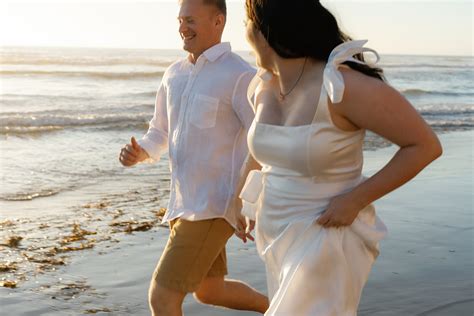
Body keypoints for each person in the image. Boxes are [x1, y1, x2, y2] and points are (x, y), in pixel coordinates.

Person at [234, 0, 443, 314]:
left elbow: (424, 145)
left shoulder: (341, 86)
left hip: (327, 231)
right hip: (275, 231)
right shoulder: (262, 87)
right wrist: (243, 199)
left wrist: (355, 200)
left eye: (247, 21)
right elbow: (264, 153)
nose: (244, 31)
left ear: (267, 29)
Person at [119, 0, 269, 315]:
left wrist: (249, 200)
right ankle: (282, 309)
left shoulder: (240, 75)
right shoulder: (173, 73)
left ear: (218, 21)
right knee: (210, 290)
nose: (182, 28)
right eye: (180, 20)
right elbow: (159, 133)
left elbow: (264, 140)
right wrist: (140, 152)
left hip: (215, 206)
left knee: (161, 298)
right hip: (183, 203)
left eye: (190, 20)